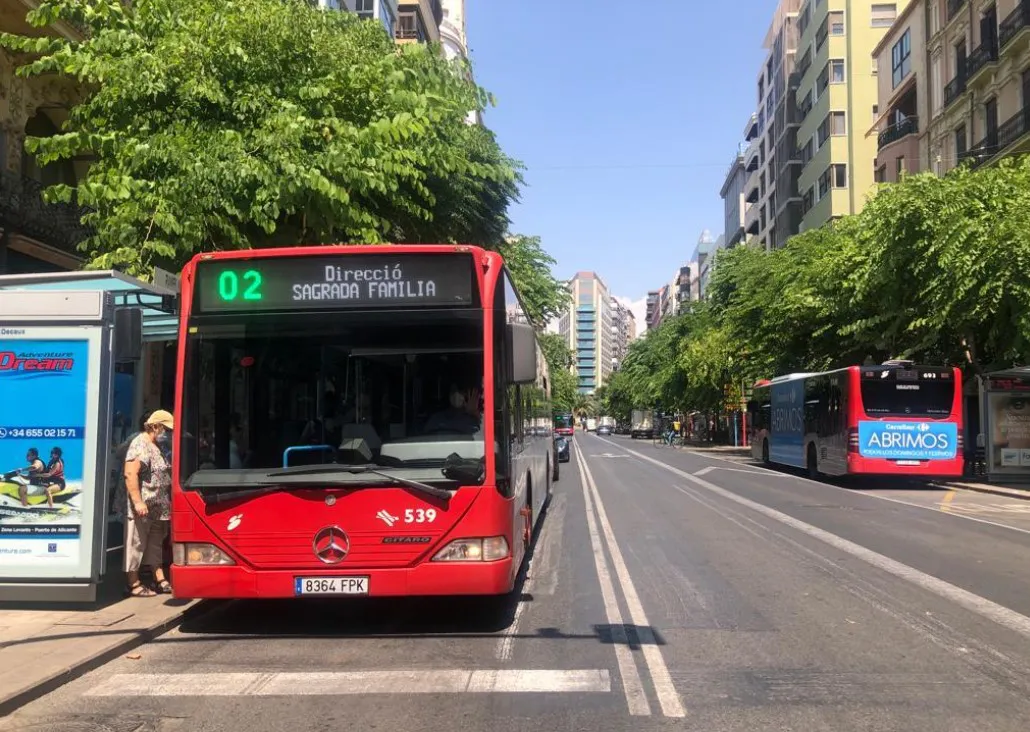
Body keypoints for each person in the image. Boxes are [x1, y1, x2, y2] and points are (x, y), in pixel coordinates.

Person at [123, 409, 174, 597]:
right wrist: (137, 502)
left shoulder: (157, 446)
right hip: (143, 505)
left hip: (158, 506)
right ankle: (133, 583)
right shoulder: (140, 444)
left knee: (155, 543)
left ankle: (159, 578)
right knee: (136, 543)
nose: (168, 433)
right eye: (166, 429)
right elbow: (130, 473)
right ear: (155, 426)